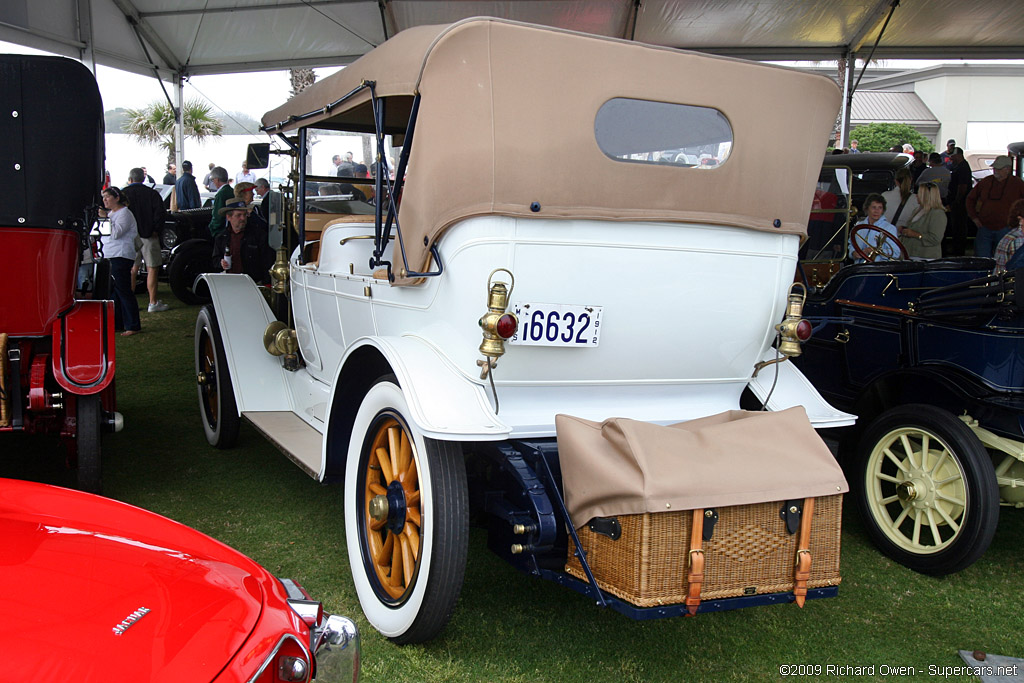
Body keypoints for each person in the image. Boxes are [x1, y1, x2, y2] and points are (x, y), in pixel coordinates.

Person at [123, 168, 169, 313]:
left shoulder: (124, 194)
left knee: (132, 269)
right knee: (152, 268)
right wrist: (156, 230)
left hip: (129, 237)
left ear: (130, 179)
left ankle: (131, 304)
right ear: (143, 179)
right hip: (149, 235)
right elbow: (160, 213)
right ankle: (153, 302)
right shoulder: (152, 194)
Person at [101, 186, 142, 336]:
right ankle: (118, 323)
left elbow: (117, 233)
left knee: (123, 290)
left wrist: (105, 219)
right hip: (109, 254)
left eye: (107, 197)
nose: (105, 200)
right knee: (114, 292)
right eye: (103, 197)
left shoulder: (125, 213)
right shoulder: (111, 214)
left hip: (121, 255)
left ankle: (133, 324)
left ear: (117, 198)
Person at [966, 155, 1024, 258]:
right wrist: (974, 217)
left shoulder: (1018, 184)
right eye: (994, 168)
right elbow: (970, 199)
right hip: (984, 227)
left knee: (1003, 258)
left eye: (998, 168)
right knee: (981, 259)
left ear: (1007, 169)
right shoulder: (986, 181)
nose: (995, 171)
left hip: (1007, 228)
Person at [212, 198, 275, 283]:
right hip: (230, 282)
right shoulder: (221, 237)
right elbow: (215, 259)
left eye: (245, 215)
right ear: (229, 217)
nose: (243, 218)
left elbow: (268, 262)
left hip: (253, 282)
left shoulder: (259, 235)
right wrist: (221, 263)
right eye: (238, 215)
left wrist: (266, 283)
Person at [899, 184, 946, 260]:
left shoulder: (937, 214)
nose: (916, 196)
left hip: (926, 257)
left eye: (919, 193)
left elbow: (935, 239)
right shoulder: (917, 210)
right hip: (910, 254)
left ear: (925, 195)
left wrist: (915, 234)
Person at [850, 193, 901, 261]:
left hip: (879, 269)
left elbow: (896, 253)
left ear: (883, 210)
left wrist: (875, 251)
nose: (876, 211)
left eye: (880, 208)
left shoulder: (889, 228)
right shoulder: (858, 226)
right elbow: (851, 244)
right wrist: (853, 253)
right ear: (867, 208)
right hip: (859, 268)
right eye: (874, 207)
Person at [946, 147, 973, 256]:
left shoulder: (962, 168)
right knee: (958, 226)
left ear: (958, 155)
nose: (951, 157)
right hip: (959, 201)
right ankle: (957, 249)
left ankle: (958, 251)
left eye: (953, 155)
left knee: (959, 226)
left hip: (960, 203)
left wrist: (957, 201)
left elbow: (962, 186)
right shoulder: (960, 166)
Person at [994, 199, 1024, 273]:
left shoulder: (1014, 234)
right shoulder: (1019, 239)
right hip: (1005, 283)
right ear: (1021, 220)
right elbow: (1018, 272)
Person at [207, 166, 234, 238]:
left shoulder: (221, 194)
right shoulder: (232, 191)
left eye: (212, 180)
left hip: (222, 231)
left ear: (217, 180)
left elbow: (218, 216)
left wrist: (212, 228)